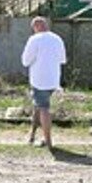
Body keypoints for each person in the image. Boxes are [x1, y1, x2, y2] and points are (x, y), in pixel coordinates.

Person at [21, 16, 66, 149]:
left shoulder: (34, 39)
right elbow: (62, 59)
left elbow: (25, 61)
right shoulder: (57, 38)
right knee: (38, 106)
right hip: (53, 80)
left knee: (44, 108)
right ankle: (32, 134)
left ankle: (48, 141)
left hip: (39, 80)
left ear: (35, 27)